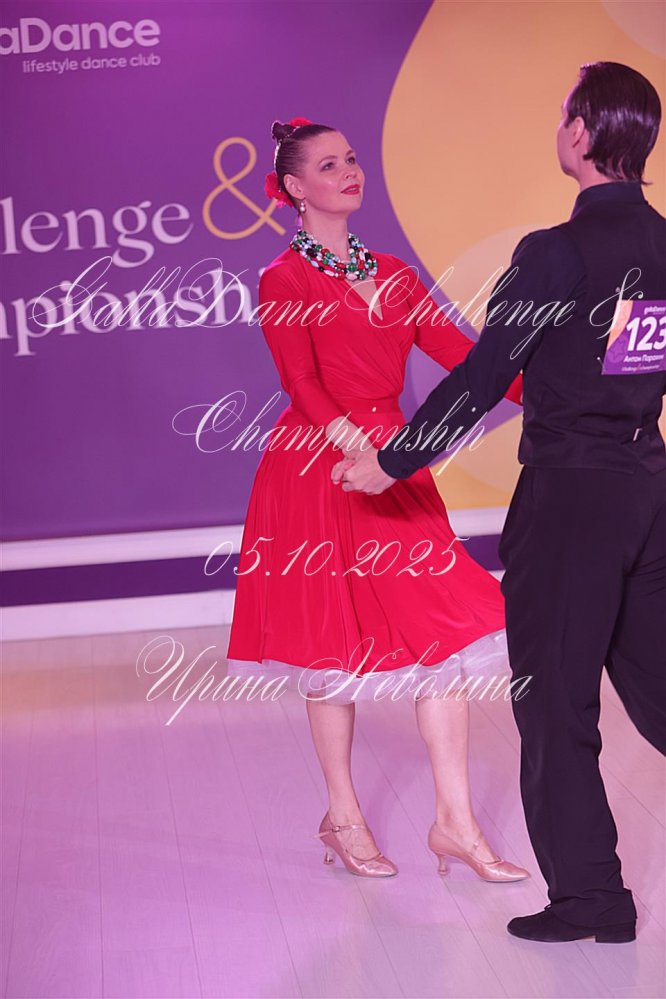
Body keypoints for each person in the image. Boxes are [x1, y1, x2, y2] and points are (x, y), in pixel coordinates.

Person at [337, 62, 665, 942]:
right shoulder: (664, 244)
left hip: (572, 500)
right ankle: (594, 894)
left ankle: (592, 898)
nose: (559, 125)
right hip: (648, 486)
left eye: (564, 114)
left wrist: (393, 460)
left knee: (554, 702)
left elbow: (483, 376)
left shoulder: (556, 252)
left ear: (583, 134)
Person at [226, 116, 529, 882]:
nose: (349, 172)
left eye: (352, 159)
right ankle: (345, 815)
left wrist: (552, 392)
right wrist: (357, 447)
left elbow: (467, 359)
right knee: (331, 647)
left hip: (395, 462)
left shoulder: (393, 273)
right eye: (329, 165)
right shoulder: (283, 277)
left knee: (444, 635)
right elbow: (300, 381)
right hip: (320, 468)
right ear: (294, 187)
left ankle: (455, 823)